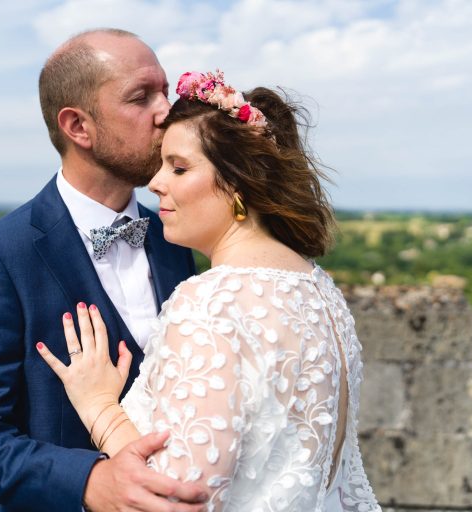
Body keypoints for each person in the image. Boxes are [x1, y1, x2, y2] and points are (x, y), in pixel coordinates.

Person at [36, 71, 382, 512]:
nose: (155, 183)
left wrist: (100, 406)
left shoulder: (210, 304)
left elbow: (173, 499)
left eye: (179, 167)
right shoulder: (320, 289)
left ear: (238, 183)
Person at [0, 30, 210, 512]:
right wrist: (92, 483)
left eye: (166, 91)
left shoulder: (175, 236)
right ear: (78, 127)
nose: (166, 110)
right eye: (141, 96)